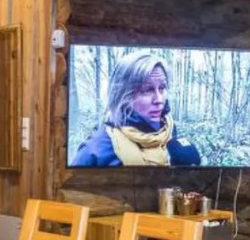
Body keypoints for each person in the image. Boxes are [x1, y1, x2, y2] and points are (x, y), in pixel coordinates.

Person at [73, 52, 202, 167]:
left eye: (162, 88)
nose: (159, 100)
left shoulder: (169, 131)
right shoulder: (94, 151)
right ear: (123, 95)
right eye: (147, 90)